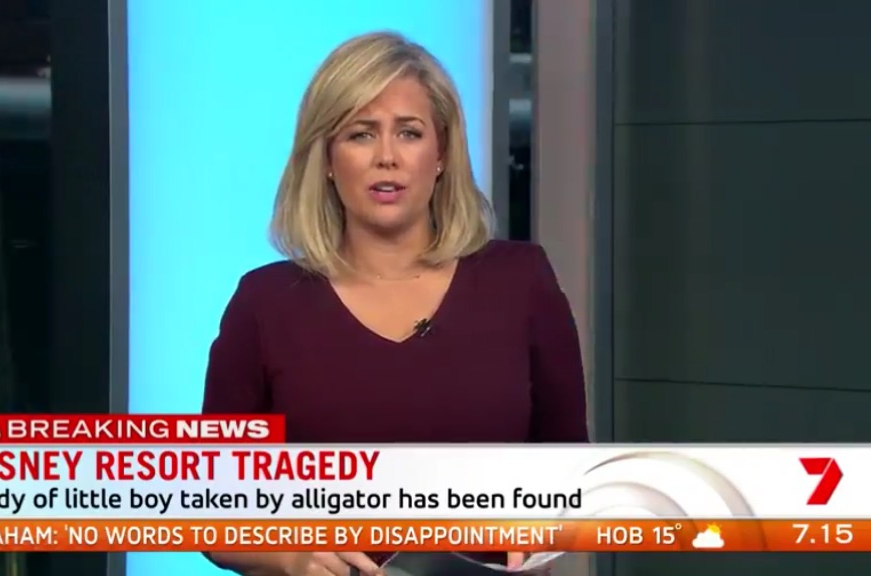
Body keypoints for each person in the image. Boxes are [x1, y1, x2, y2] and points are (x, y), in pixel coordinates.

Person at [202, 31, 588, 576]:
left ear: (441, 154)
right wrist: (292, 557)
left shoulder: (522, 283)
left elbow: (573, 475)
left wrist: (543, 534)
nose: (387, 157)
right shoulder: (264, 305)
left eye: (409, 132)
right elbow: (215, 514)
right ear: (327, 158)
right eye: (361, 134)